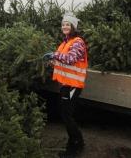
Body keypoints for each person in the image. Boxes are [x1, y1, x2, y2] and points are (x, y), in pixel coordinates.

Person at [43, 13, 88, 157]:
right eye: (63, 24)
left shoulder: (77, 42)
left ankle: (77, 143)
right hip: (65, 84)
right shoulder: (64, 43)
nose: (65, 27)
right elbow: (63, 61)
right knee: (64, 114)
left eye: (68, 24)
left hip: (73, 85)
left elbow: (71, 59)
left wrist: (54, 55)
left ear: (73, 26)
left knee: (67, 114)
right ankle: (72, 141)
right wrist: (53, 61)